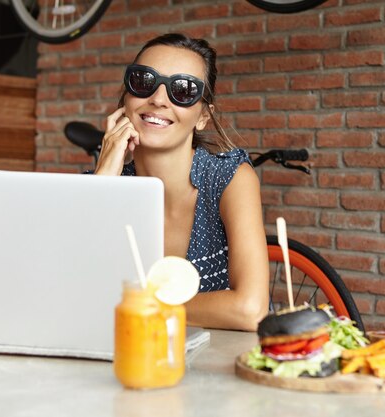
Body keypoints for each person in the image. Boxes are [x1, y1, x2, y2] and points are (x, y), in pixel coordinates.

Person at [94, 33, 269, 331]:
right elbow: (67, 288)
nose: (159, 99)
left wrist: (143, 305)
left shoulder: (228, 181)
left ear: (202, 116)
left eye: (183, 90)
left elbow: (249, 309)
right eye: (144, 81)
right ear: (126, 98)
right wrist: (103, 181)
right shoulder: (101, 186)